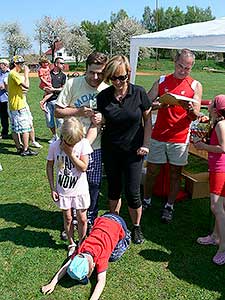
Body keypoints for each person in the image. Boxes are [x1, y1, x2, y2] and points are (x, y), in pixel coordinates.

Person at [96, 55, 152, 244]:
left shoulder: (139, 93)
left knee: (133, 191)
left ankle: (136, 227)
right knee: (113, 189)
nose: (118, 82)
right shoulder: (103, 96)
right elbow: (103, 121)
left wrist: (146, 144)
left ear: (128, 74)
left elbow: (147, 120)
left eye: (122, 77)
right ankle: (114, 225)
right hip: (111, 150)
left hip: (134, 152)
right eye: (114, 78)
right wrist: (99, 120)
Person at [143, 48, 202, 223]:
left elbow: (195, 114)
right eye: (180, 66)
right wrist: (160, 104)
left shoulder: (195, 85)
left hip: (180, 138)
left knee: (176, 174)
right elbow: (146, 103)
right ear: (175, 63)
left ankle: (169, 206)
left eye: (187, 68)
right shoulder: (162, 80)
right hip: (159, 135)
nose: (183, 71)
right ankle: (146, 200)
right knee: (152, 171)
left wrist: (190, 110)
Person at [55, 52, 108, 228]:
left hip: (95, 146)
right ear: (85, 69)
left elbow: (112, 116)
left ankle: (89, 218)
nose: (95, 77)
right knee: (70, 184)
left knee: (93, 184)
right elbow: (57, 111)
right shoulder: (73, 84)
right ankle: (70, 221)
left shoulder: (106, 90)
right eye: (92, 72)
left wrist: (104, 119)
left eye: (100, 73)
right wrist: (78, 111)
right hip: (69, 144)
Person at [41, 213, 131, 299]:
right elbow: (66, 266)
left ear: (92, 267)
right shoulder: (81, 249)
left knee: (114, 256)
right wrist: (52, 283)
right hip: (102, 220)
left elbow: (101, 281)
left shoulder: (102, 257)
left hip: (119, 224)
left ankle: (128, 236)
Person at [46, 117, 93, 256]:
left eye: (75, 142)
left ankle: (82, 242)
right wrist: (52, 187)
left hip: (80, 189)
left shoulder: (83, 144)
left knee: (82, 219)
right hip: (64, 190)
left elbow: (83, 167)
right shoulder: (54, 146)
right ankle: (72, 243)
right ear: (64, 137)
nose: (74, 144)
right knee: (67, 218)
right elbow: (49, 166)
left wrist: (70, 153)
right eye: (71, 143)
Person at [194, 95, 225, 265]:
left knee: (216, 207)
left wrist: (203, 146)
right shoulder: (218, 122)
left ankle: (223, 248)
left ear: (216, 108)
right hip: (218, 169)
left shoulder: (221, 124)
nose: (209, 104)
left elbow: (223, 148)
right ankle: (215, 236)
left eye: (212, 102)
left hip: (221, 170)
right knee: (220, 206)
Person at [7, 55, 38, 156]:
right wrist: (26, 74)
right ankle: (25, 149)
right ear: (15, 64)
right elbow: (27, 86)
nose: (22, 66)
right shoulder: (14, 73)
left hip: (13, 105)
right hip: (19, 105)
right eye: (21, 64)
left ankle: (18, 148)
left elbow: (23, 88)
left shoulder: (11, 74)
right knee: (25, 128)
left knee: (15, 128)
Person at [40, 57, 67, 144]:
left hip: (58, 101)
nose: (63, 65)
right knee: (49, 121)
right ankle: (55, 136)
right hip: (48, 101)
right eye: (61, 63)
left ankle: (61, 137)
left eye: (63, 63)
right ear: (56, 64)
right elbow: (42, 85)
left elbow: (64, 89)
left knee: (60, 121)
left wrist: (54, 89)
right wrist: (45, 89)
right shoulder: (48, 73)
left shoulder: (63, 76)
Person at [0, 59, 10, 139]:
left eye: (1, 64)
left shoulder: (10, 74)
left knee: (6, 116)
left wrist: (5, 86)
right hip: (0, 98)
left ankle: (5, 132)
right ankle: (4, 132)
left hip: (6, 98)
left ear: (5, 65)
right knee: (2, 116)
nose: (0, 65)